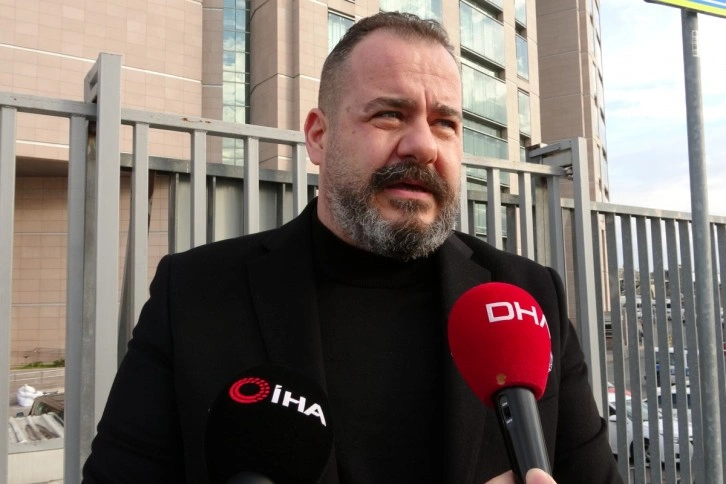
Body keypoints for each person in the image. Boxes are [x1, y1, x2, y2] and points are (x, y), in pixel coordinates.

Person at [82, 12, 621, 484]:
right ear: (318, 136)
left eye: (445, 123)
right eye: (390, 114)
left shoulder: (527, 296)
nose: (423, 145)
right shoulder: (195, 293)